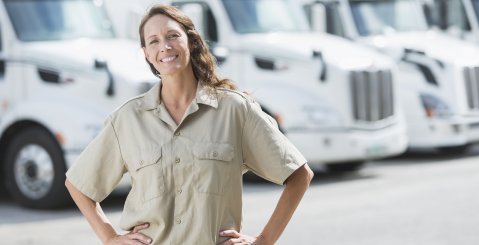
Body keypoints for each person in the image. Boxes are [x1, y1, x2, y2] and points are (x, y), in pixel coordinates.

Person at [65, 4, 313, 245]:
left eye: (173, 36)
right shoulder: (128, 119)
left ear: (191, 41)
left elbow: (299, 175)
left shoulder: (234, 110)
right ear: (146, 54)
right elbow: (78, 185)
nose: (165, 46)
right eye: (154, 41)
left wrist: (265, 240)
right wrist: (109, 237)